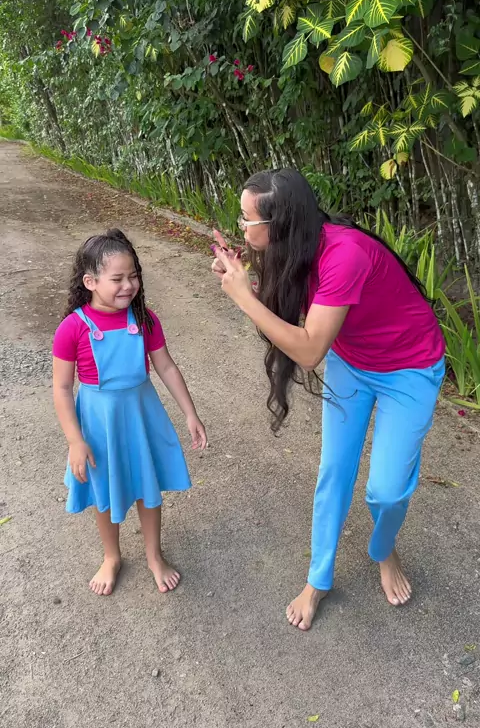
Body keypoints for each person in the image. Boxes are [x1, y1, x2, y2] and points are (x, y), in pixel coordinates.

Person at [211, 169, 445, 631]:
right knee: (334, 471)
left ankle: (383, 550)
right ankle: (318, 578)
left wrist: (242, 298)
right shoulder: (293, 248)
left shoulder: (345, 254)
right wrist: (247, 283)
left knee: (387, 490)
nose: (241, 227)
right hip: (353, 361)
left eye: (246, 220)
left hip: (410, 367)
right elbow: (294, 317)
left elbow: (309, 349)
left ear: (278, 223)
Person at [53, 228, 206, 597]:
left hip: (141, 416)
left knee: (146, 486)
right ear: (90, 282)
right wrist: (75, 441)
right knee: (105, 489)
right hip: (99, 424)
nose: (128, 286)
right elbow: (61, 388)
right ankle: (111, 556)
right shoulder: (72, 328)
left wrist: (190, 413)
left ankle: (154, 555)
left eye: (133, 276)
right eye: (117, 278)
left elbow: (166, 367)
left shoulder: (145, 318)